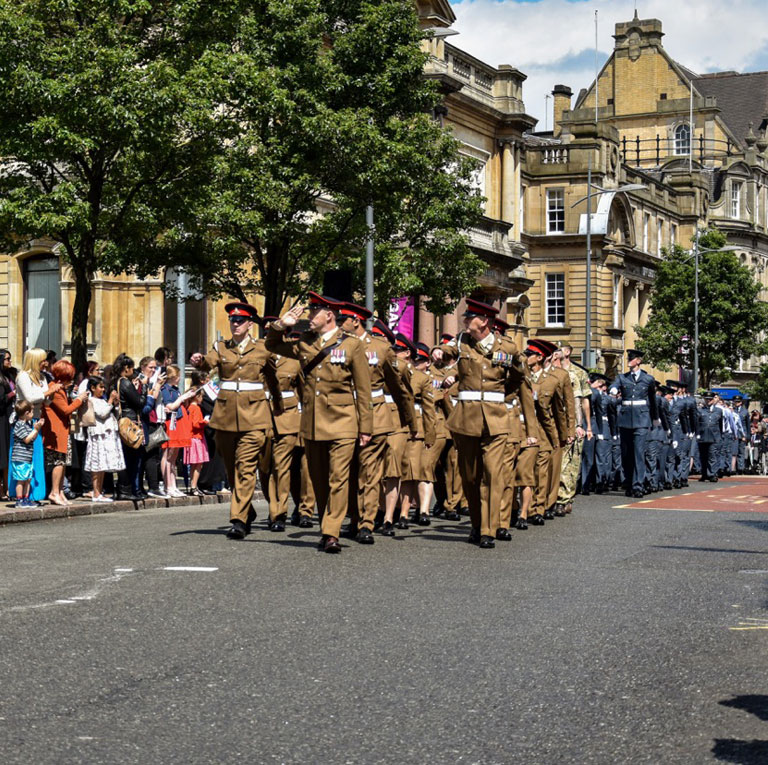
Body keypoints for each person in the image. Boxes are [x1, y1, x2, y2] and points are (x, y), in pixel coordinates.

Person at [267, 292, 373, 553]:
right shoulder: (305, 342)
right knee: (319, 480)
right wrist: (280, 325)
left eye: (314, 311)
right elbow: (272, 345)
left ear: (329, 315)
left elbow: (363, 390)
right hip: (312, 423)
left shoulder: (351, 345)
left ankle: (330, 532)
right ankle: (329, 523)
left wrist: (366, 427)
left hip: (343, 422)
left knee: (339, 479)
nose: (309, 316)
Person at [434, 298, 524, 548]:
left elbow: (518, 376)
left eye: (469, 317)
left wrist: (502, 396)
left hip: (496, 419)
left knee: (493, 475)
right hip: (467, 419)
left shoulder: (507, 347)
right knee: (470, 477)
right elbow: (446, 350)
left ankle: (488, 529)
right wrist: (437, 352)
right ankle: (476, 523)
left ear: (484, 321)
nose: (464, 320)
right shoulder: (461, 341)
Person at [190, 302, 280, 540]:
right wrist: (198, 360)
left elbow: (273, 380)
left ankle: (238, 520)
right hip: (226, 417)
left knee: (246, 468)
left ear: (250, 324)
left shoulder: (262, 348)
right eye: (233, 320)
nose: (236, 324)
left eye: (240, 321)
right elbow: (207, 363)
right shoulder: (221, 347)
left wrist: (278, 409)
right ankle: (247, 510)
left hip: (255, 418)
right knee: (232, 471)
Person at [12, 348, 62, 502]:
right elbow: (30, 398)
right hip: (24, 421)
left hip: (37, 420)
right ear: (35, 360)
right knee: (24, 459)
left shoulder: (42, 377)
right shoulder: (23, 376)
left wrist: (53, 392)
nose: (45, 363)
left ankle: (35, 494)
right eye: (43, 360)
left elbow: (46, 401)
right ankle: (21, 496)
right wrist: (49, 391)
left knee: (35, 459)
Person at [609, 349, 659, 498]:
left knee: (638, 453)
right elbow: (614, 385)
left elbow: (653, 400)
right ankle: (629, 483)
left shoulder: (648, 379)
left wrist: (654, 417)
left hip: (641, 419)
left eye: (631, 359)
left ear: (638, 361)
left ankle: (638, 485)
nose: (629, 361)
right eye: (628, 359)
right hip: (625, 419)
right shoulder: (622, 377)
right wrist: (613, 389)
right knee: (626, 454)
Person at [42, 360, 88, 506]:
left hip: (62, 429)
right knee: (58, 462)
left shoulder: (60, 388)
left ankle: (60, 491)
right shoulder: (54, 389)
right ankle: (54, 492)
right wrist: (79, 399)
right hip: (56, 431)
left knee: (63, 462)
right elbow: (66, 410)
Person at [84, 376, 124, 502]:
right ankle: (96, 492)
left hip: (106, 434)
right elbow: (102, 413)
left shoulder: (102, 400)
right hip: (98, 434)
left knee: (102, 465)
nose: (103, 389)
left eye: (103, 387)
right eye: (100, 387)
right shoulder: (91, 400)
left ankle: (99, 491)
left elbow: (110, 412)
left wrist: (115, 404)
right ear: (92, 388)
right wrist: (110, 400)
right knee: (97, 464)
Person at [114, 354, 146, 501]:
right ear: (126, 368)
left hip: (123, 420)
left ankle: (124, 489)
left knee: (127, 457)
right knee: (131, 458)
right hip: (129, 423)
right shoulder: (125, 383)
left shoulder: (117, 381)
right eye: (132, 368)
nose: (133, 371)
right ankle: (126, 489)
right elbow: (139, 402)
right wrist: (144, 388)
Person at [160, 365, 193, 498]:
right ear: (173, 377)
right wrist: (182, 398)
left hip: (178, 421)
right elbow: (171, 406)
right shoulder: (165, 389)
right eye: (178, 376)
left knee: (174, 457)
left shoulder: (175, 389)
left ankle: (173, 485)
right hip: (172, 423)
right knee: (168, 455)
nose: (179, 378)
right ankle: (168, 485)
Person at [11, 401, 43, 507]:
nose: (33, 414)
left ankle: (26, 498)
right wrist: (35, 429)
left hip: (27, 458)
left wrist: (36, 429)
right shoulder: (19, 425)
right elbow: (27, 439)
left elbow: (32, 438)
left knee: (28, 479)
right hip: (20, 458)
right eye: (32, 411)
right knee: (21, 479)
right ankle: (19, 500)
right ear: (26, 413)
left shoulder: (27, 424)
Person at [183, 388, 209, 496]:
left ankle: (192, 486)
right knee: (198, 464)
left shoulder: (189, 407)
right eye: (201, 396)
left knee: (193, 464)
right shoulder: (196, 408)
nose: (202, 399)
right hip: (197, 438)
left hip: (190, 437)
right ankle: (194, 486)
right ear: (197, 397)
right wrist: (205, 422)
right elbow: (196, 424)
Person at [695, 391, 723, 481]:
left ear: (713, 400)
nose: (708, 401)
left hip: (714, 436)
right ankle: (704, 474)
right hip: (703, 436)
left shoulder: (719, 411)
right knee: (703, 456)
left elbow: (720, 425)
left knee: (712, 455)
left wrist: (719, 437)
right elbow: (697, 423)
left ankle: (712, 474)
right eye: (706, 399)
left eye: (710, 399)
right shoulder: (700, 410)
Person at [0, 348, 15, 500]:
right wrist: (12, 394)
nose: (10, 361)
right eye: (7, 359)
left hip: (9, 417)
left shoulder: (9, 375)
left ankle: (8, 487)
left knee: (7, 454)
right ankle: (1, 489)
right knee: (2, 454)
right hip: (2, 418)